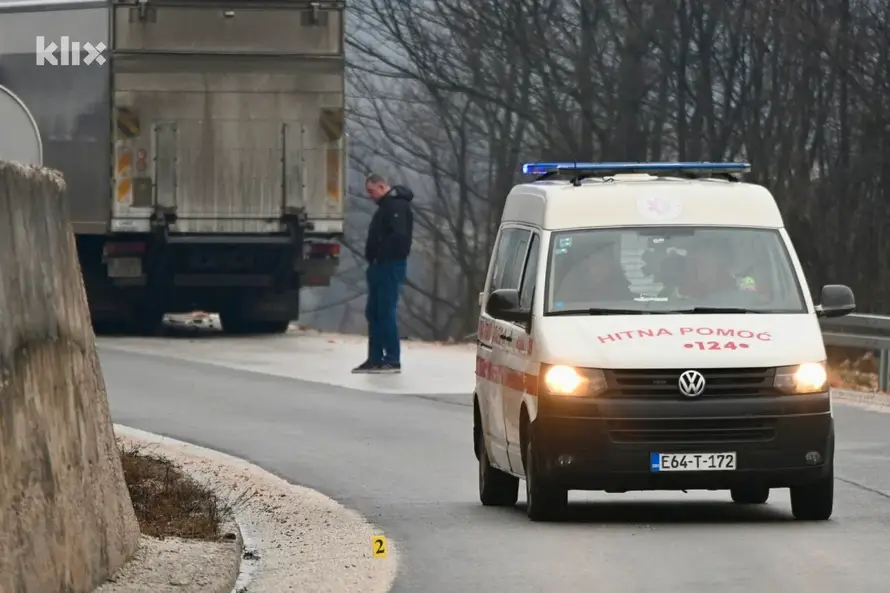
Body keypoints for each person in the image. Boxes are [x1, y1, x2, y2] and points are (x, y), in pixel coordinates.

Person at [352, 173, 414, 374]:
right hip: (378, 265)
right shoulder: (385, 208)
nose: (370, 196)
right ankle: (375, 357)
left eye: (372, 191)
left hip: (389, 265)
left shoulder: (396, 206)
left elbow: (400, 237)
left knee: (385, 311)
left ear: (381, 186)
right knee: (374, 312)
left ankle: (392, 358)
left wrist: (383, 255)